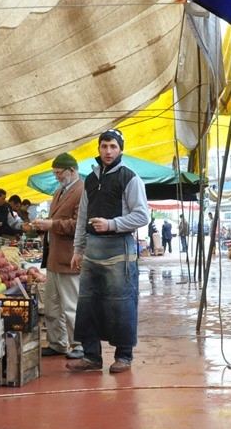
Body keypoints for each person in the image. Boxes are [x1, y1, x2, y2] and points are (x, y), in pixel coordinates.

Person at [68, 129, 150, 374]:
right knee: (87, 303)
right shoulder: (90, 180)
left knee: (121, 303)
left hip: (119, 249)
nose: (108, 151)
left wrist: (112, 224)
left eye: (113, 146)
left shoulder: (130, 178)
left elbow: (142, 215)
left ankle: (124, 357)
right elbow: (83, 215)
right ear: (99, 149)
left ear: (121, 149)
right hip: (92, 249)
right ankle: (92, 357)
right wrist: (78, 249)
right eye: (104, 146)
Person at [33, 154, 84, 359]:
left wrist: (52, 225)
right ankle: (57, 343)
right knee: (52, 305)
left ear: (71, 170)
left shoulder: (82, 191)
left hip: (70, 257)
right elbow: (57, 220)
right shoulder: (58, 193)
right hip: (53, 257)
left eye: (59, 173)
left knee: (72, 304)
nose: (57, 177)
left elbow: (79, 225)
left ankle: (79, 344)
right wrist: (43, 225)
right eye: (54, 173)